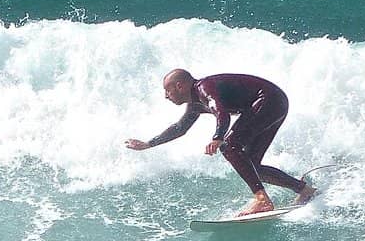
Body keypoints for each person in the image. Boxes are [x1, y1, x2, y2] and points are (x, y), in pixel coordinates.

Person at [126, 68, 315, 216]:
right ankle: (304, 190)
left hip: (269, 101)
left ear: (179, 86)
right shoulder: (195, 104)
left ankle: (261, 199)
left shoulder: (204, 89)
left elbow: (221, 113)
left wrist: (217, 138)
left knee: (229, 145)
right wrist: (149, 144)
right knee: (250, 165)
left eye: (167, 90)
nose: (166, 96)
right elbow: (180, 128)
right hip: (275, 103)